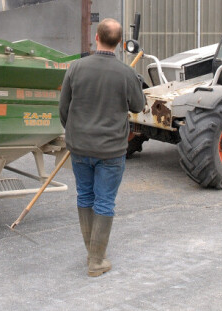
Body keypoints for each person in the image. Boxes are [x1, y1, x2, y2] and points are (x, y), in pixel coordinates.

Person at [58, 18, 144, 277]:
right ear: (119, 42)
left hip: (80, 147)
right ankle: (96, 260)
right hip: (111, 151)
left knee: (85, 196)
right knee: (104, 201)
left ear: (96, 37)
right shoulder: (126, 73)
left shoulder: (76, 68)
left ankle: (92, 253)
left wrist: (75, 133)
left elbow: (64, 109)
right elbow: (138, 106)